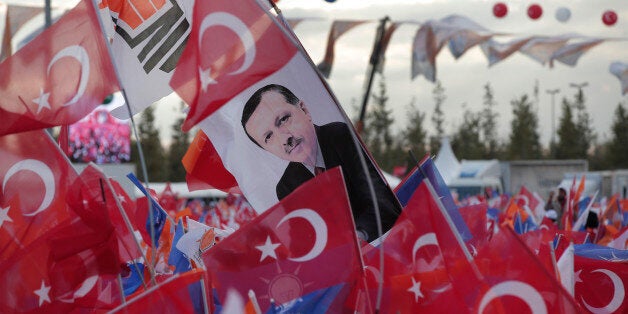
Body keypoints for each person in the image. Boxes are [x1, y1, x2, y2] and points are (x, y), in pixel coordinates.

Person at [241, 84, 401, 241]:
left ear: (304, 110)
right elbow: (305, 244)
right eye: (268, 137)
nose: (284, 138)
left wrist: (358, 238)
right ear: (266, 150)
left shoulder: (340, 137)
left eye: (283, 120)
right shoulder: (286, 188)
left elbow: (382, 203)